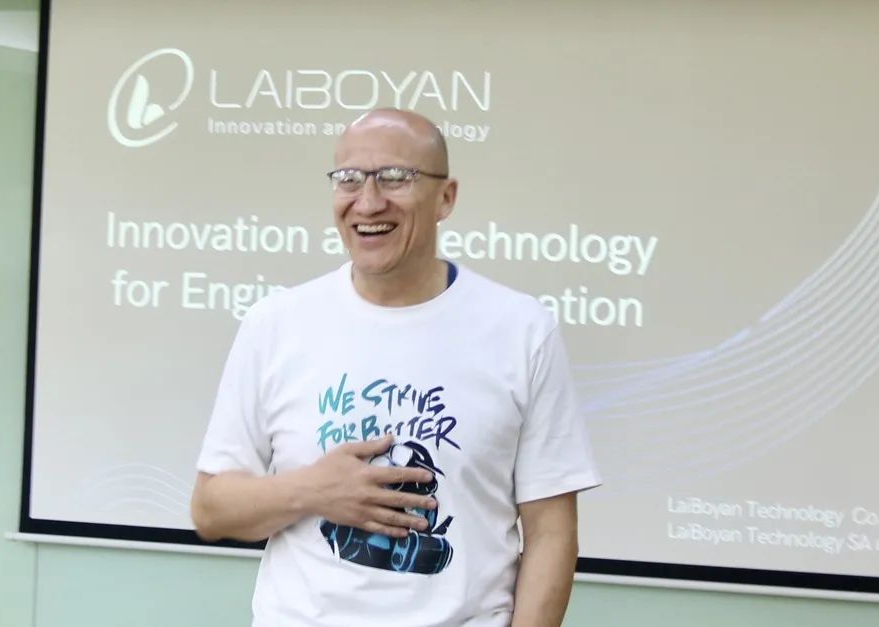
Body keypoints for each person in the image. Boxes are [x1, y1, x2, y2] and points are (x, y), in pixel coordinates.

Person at [191, 108, 601, 627]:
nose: (367, 202)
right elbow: (211, 510)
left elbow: (551, 532)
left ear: (446, 198)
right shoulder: (274, 323)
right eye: (349, 179)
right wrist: (313, 489)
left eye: (394, 178)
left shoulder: (521, 329)